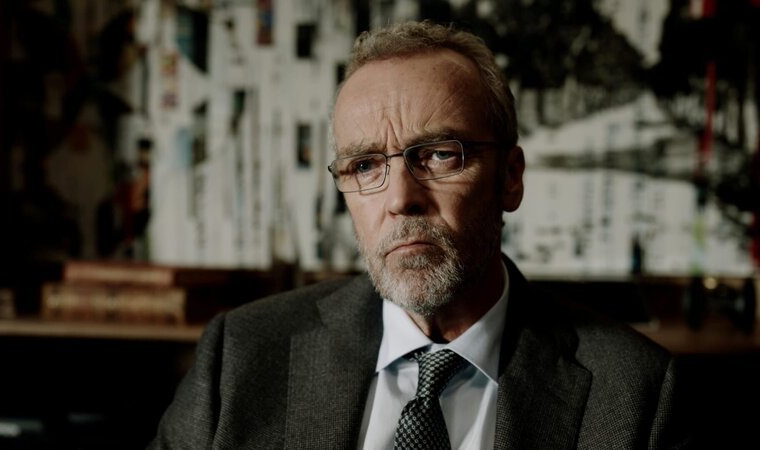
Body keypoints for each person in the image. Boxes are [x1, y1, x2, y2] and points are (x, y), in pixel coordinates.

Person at [150, 21, 689, 449]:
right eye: (365, 165)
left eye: (438, 155)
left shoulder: (637, 394)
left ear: (510, 178)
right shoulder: (241, 357)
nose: (400, 198)